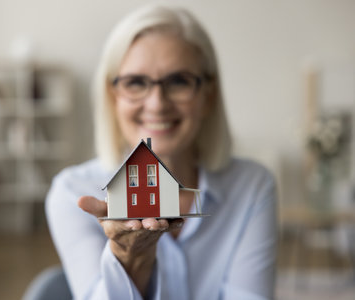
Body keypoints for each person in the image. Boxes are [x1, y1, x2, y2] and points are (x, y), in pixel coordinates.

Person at [46, 4, 277, 300]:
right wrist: (130, 261)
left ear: (208, 95)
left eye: (179, 81)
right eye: (135, 82)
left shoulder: (252, 187)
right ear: (112, 96)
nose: (156, 104)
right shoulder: (72, 193)